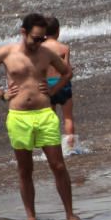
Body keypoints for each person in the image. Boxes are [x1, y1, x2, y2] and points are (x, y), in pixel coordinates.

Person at [0, 13, 80, 220]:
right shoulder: (6, 52)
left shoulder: (47, 53)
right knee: (25, 169)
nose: (39, 42)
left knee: (58, 165)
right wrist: (2, 94)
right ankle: (31, 218)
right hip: (19, 117)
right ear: (23, 32)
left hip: (44, 114)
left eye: (42, 38)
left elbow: (67, 73)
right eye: (36, 38)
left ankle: (70, 215)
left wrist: (53, 89)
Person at [43, 16, 77, 153]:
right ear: (58, 31)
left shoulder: (40, 49)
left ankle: (53, 148)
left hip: (47, 85)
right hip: (63, 84)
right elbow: (66, 69)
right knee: (68, 117)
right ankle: (70, 147)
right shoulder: (64, 48)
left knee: (51, 118)